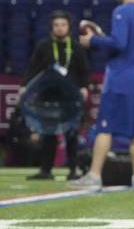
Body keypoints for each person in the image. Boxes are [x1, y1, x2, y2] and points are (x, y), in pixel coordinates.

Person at [69, 0, 134, 190]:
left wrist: (93, 40)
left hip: (120, 79)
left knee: (104, 128)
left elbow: (119, 43)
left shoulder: (121, 11)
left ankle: (94, 175)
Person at [22, 11, 90, 181]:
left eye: (63, 25)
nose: (60, 28)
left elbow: (84, 70)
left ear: (68, 27)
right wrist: (24, 86)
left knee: (72, 135)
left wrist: (84, 87)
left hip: (71, 98)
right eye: (57, 25)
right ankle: (46, 170)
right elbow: (33, 68)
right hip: (48, 97)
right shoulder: (43, 46)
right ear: (52, 28)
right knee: (48, 134)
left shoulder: (75, 47)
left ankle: (73, 170)